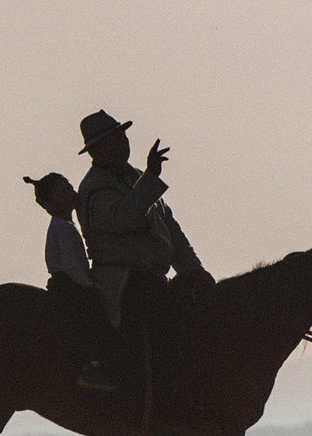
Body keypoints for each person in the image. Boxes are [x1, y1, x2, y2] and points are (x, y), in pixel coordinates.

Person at [73, 111, 212, 365]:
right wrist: (151, 177)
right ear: (96, 151)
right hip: (124, 282)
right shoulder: (94, 188)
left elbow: (170, 228)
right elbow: (123, 218)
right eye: (112, 140)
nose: (121, 144)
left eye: (121, 137)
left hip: (152, 276)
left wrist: (193, 270)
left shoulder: (137, 177)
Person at [22, 172, 116, 390]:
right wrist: (90, 286)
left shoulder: (65, 225)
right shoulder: (62, 228)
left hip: (72, 281)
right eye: (63, 191)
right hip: (70, 285)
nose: (70, 192)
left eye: (69, 187)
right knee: (95, 315)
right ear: (48, 204)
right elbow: (71, 265)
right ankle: (93, 365)